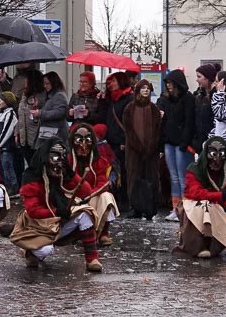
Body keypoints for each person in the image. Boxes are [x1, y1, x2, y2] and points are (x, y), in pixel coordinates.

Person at [10, 137, 102, 272]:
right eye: (55, 157)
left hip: (58, 223)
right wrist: (57, 211)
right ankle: (30, 251)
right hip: (37, 226)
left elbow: (85, 191)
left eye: (62, 158)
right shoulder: (31, 177)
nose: (58, 162)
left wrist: (71, 174)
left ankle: (92, 258)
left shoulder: (61, 174)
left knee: (85, 213)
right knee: (46, 250)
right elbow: (33, 211)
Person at [177, 136, 226, 259]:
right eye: (213, 155)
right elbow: (196, 193)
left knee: (219, 212)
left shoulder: (224, 172)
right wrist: (221, 196)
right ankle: (196, 245)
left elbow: (224, 190)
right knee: (204, 207)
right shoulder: (194, 170)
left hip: (215, 204)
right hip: (192, 204)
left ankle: (213, 246)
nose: (216, 161)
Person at [68, 122, 118, 246]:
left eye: (87, 140)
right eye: (79, 140)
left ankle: (103, 233)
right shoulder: (67, 161)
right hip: (72, 198)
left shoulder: (98, 160)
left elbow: (103, 182)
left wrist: (89, 195)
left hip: (91, 196)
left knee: (106, 197)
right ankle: (77, 233)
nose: (83, 145)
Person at [157, 69, 196, 222]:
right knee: (173, 177)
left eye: (170, 83)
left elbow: (189, 122)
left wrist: (185, 143)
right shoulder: (165, 99)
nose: (168, 86)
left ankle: (185, 208)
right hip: (169, 143)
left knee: (182, 177)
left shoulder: (187, 99)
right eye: (167, 83)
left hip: (181, 144)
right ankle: (176, 208)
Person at [122, 79, 161, 220]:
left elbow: (157, 130)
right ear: (137, 90)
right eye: (143, 88)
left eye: (148, 88)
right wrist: (137, 146)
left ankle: (150, 207)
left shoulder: (154, 109)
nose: (146, 90)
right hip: (134, 151)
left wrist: (151, 147)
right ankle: (135, 208)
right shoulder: (129, 109)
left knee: (152, 178)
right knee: (134, 177)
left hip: (151, 152)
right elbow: (129, 130)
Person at [103, 72, 133, 206]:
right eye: (109, 82)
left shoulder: (128, 99)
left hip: (121, 141)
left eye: (113, 81)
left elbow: (129, 123)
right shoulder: (110, 99)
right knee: (113, 171)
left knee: (124, 171)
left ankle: (125, 201)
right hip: (111, 141)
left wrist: (124, 141)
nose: (110, 84)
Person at [16, 65, 46, 171]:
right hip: (24, 137)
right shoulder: (25, 95)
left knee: (35, 165)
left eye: (26, 81)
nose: (24, 84)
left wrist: (38, 106)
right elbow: (20, 114)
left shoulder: (41, 96)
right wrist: (17, 132)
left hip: (35, 136)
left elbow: (42, 114)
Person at [33, 71, 69, 143]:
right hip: (49, 133)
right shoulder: (50, 95)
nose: (45, 86)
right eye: (44, 84)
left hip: (56, 133)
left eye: (47, 83)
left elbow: (59, 112)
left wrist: (40, 114)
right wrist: (39, 105)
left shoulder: (59, 95)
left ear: (54, 83)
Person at [0, 91, 20, 196]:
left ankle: (13, 187)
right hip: (0, 147)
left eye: (2, 99)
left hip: (7, 147)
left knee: (8, 166)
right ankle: (6, 186)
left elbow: (7, 131)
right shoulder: (1, 114)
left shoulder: (10, 114)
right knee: (2, 167)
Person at [192, 62, 219, 154]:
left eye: (199, 77)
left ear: (207, 78)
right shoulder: (199, 95)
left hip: (213, 144)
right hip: (200, 144)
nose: (197, 80)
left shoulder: (217, 96)